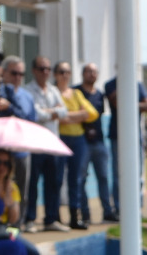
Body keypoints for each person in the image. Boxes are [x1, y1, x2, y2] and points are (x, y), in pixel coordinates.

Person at [23, 56, 69, 232]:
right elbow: (36, 114)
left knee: (53, 183)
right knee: (32, 184)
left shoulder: (53, 90)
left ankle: (51, 219)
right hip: (35, 144)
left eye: (48, 69)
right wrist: (53, 112)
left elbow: (64, 112)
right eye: (42, 69)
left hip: (53, 144)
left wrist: (49, 112)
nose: (45, 72)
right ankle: (30, 219)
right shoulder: (28, 90)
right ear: (34, 70)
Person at [54, 61, 98, 230]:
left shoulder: (77, 93)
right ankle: (55, 215)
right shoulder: (53, 92)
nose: (65, 75)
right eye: (61, 71)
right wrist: (79, 115)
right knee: (57, 179)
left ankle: (74, 216)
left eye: (67, 72)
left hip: (78, 140)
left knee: (76, 180)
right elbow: (59, 118)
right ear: (56, 74)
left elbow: (92, 113)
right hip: (60, 138)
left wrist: (69, 116)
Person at [105, 73, 147, 213]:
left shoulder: (137, 84)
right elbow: (117, 103)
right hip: (117, 136)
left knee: (137, 172)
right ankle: (120, 209)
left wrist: (130, 103)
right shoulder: (111, 85)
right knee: (118, 173)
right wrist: (134, 102)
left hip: (135, 136)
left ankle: (137, 208)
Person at [75, 62, 115, 222]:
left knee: (103, 178)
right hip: (82, 141)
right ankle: (85, 213)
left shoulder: (100, 95)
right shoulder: (76, 92)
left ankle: (107, 211)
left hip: (99, 142)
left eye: (94, 72)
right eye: (88, 71)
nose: (92, 74)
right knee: (81, 179)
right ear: (83, 73)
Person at [0, 55, 36, 224]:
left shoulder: (27, 97)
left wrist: (12, 107)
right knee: (1, 188)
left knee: (22, 189)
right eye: (14, 73)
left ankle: (18, 224)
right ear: (4, 72)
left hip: (22, 150)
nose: (18, 77)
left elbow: (30, 120)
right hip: (1, 150)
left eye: (21, 74)